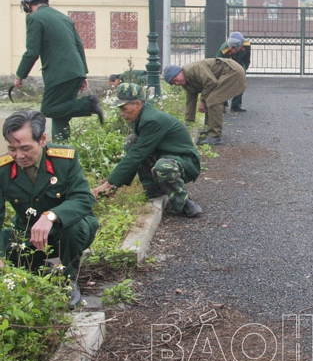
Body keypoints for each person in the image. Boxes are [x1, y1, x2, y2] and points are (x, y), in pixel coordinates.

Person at [0, 110, 99, 309]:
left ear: (42, 139)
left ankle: (66, 280)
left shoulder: (64, 160)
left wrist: (51, 216)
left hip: (64, 231)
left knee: (71, 229)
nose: (19, 156)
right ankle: (37, 269)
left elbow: (83, 198)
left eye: (26, 148)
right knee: (6, 241)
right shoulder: (3, 169)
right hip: (27, 235)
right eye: (12, 149)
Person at [92, 84, 203, 218]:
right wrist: (114, 184)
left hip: (185, 161)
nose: (122, 113)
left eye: (124, 108)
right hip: (165, 154)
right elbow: (136, 152)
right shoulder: (142, 116)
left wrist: (109, 183)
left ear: (137, 104)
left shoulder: (151, 120)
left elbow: (136, 155)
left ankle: (184, 203)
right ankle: (153, 190)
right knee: (131, 141)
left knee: (163, 167)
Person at [14, 0, 104, 141]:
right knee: (61, 115)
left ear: (28, 5)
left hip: (58, 74)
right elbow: (78, 46)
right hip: (76, 70)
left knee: (49, 109)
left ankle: (88, 104)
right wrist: (83, 74)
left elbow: (32, 52)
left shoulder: (34, 18)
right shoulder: (64, 18)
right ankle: (61, 148)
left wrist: (20, 75)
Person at [163, 58, 248, 146]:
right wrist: (188, 122)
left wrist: (202, 102)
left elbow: (211, 82)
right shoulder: (186, 81)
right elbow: (191, 99)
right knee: (210, 98)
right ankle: (209, 130)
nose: (177, 83)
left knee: (214, 99)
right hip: (226, 73)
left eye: (175, 79)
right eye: (173, 83)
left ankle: (215, 136)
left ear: (179, 72)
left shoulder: (193, 69)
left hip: (232, 72)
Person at [216, 31, 251, 112]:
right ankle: (223, 102)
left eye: (236, 47)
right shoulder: (224, 49)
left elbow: (247, 59)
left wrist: (244, 70)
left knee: (241, 81)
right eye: (232, 46)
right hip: (227, 64)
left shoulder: (246, 45)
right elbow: (218, 64)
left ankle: (236, 105)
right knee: (224, 81)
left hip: (240, 62)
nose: (233, 48)